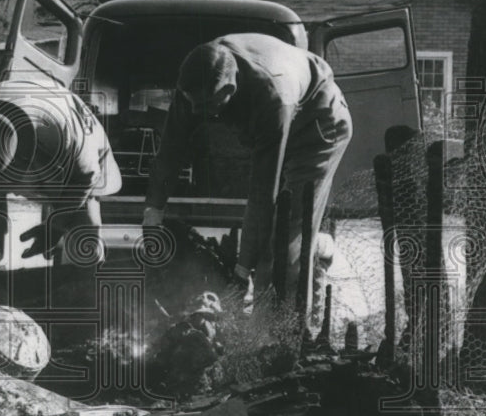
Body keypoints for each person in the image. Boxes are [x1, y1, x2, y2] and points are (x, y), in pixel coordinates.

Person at [143, 34, 352, 311]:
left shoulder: (272, 96)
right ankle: (318, 246)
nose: (197, 113)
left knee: (282, 239)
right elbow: (170, 150)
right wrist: (152, 218)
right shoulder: (196, 81)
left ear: (229, 89)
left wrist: (241, 274)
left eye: (207, 107)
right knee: (273, 242)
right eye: (192, 104)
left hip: (318, 124)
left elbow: (263, 193)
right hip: (278, 114)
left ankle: (276, 331)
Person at [0, 76, 122, 278]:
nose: (12, 190)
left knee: (83, 233)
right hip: (10, 124)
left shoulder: (62, 136)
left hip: (74, 140)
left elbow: (85, 177)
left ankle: (86, 287)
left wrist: (56, 224)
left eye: (10, 181)